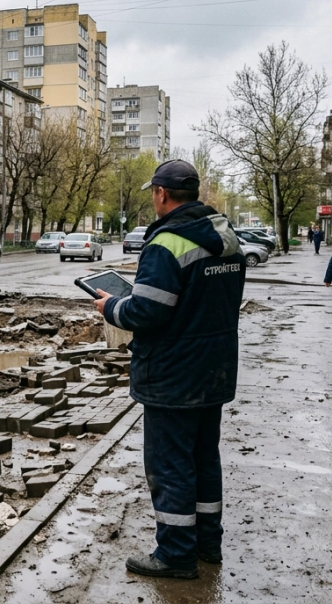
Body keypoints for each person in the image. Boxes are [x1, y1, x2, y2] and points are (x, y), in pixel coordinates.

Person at [92, 159, 246, 580]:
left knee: (171, 464)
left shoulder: (165, 243)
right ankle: (206, 544)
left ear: (161, 194)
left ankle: (176, 554)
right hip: (214, 368)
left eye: (152, 193)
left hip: (173, 373)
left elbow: (148, 311)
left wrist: (112, 307)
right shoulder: (226, 236)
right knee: (203, 458)